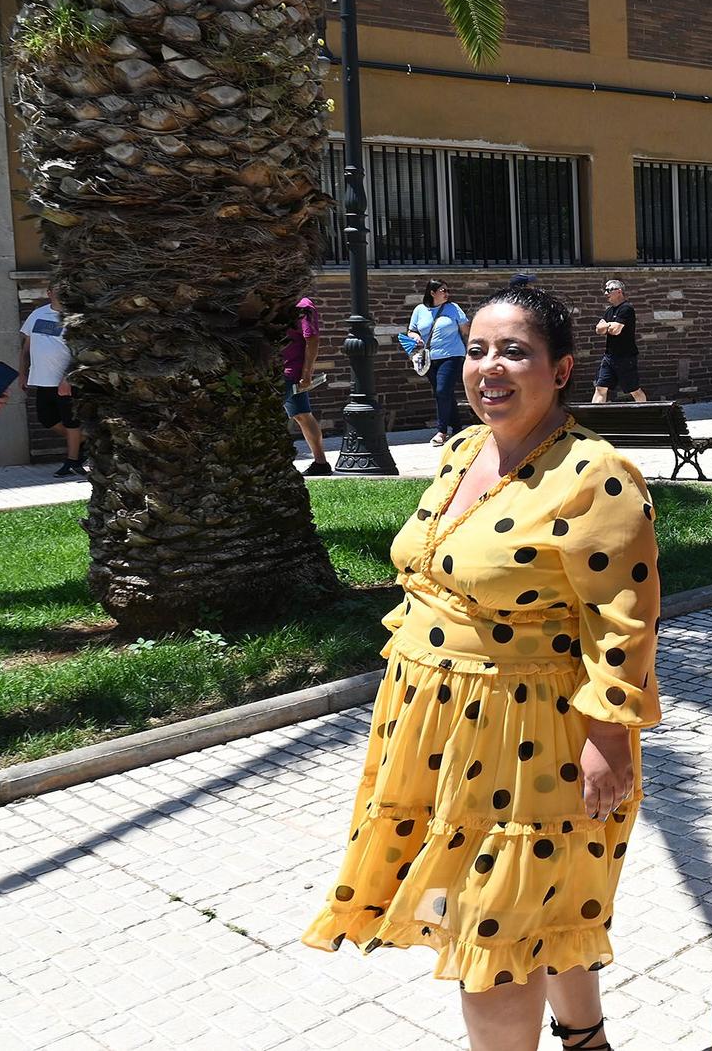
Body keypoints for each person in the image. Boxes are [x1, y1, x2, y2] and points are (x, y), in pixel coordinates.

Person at [304, 284, 663, 1051]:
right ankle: (586, 1039)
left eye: (515, 352)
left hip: (531, 733)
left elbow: (625, 619)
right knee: (544, 895)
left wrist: (608, 736)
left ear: (562, 369)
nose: (489, 367)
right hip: (433, 723)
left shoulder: (594, 475)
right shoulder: (465, 449)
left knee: (491, 919)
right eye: (476, 351)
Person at [20, 287, 83, 478]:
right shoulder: (37, 314)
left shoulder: (75, 317)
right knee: (47, 419)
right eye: (56, 290)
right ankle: (84, 443)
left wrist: (67, 378)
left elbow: (80, 352)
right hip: (41, 380)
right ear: (49, 293)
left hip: (65, 383)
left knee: (71, 423)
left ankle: (72, 461)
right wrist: (22, 372)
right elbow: (26, 348)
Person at [405, 280, 470, 445]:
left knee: (441, 391)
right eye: (443, 290)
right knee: (444, 393)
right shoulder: (420, 310)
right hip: (428, 358)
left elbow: (466, 331)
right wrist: (416, 337)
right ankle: (456, 428)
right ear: (432, 293)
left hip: (452, 355)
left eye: (448, 290)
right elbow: (411, 330)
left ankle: (441, 431)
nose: (447, 293)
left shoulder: (453, 308)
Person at [283, 294, 330, 477]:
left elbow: (312, 339)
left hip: (289, 372)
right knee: (302, 415)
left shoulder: (303, 305)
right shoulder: (276, 302)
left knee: (294, 415)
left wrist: (307, 373)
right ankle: (321, 463)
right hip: (279, 369)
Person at [590, 280, 646, 404]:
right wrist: (609, 325)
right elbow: (598, 330)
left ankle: (645, 413)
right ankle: (594, 419)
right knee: (600, 388)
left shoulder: (626, 309)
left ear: (619, 291)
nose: (605, 293)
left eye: (609, 290)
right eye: (605, 290)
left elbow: (615, 331)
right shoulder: (609, 311)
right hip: (609, 357)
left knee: (634, 390)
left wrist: (607, 325)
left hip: (626, 357)